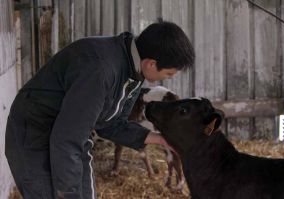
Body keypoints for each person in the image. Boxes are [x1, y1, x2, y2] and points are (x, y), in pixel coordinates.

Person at [5, 20, 195, 199]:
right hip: (34, 131)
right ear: (151, 63)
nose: (167, 78)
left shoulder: (133, 68)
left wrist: (161, 140)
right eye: (168, 73)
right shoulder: (101, 72)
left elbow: (112, 123)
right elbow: (67, 140)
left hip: (70, 131)